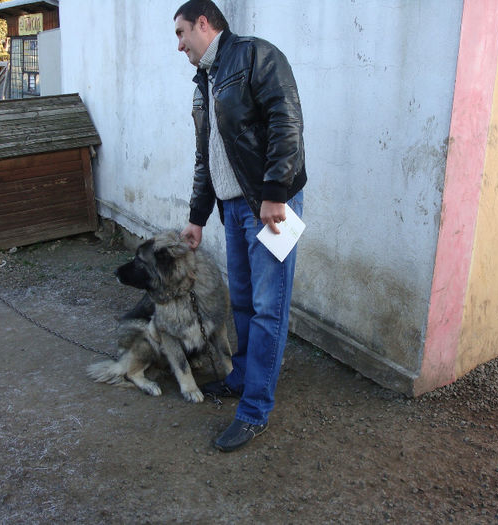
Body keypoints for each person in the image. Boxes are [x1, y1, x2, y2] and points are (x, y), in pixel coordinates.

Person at [174, 0, 307, 452]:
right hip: (234, 210)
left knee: (270, 307)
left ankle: (254, 411)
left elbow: (286, 123)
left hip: (267, 206)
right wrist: (197, 217)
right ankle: (244, 379)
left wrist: (275, 192)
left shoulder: (255, 56)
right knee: (246, 304)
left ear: (204, 24)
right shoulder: (204, 82)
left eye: (181, 33)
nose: (179, 45)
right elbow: (207, 156)